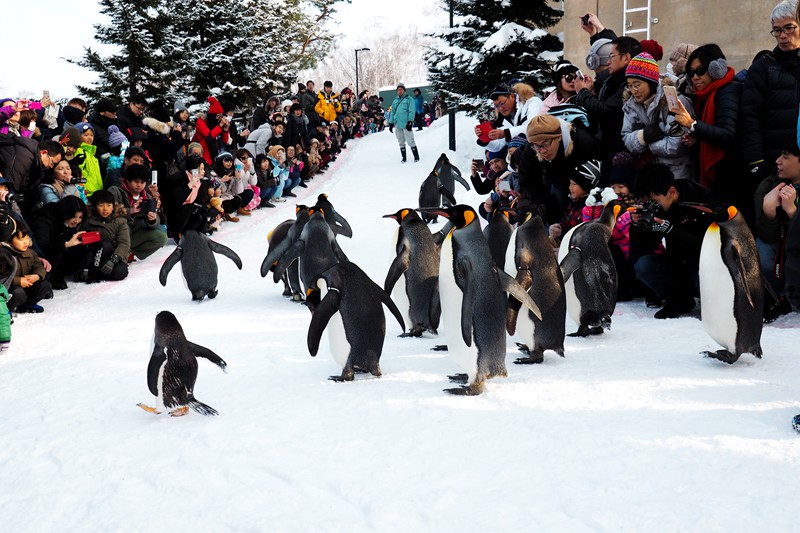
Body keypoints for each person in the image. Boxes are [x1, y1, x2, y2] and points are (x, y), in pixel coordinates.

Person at [632, 163, 720, 319]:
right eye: (646, 202)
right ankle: (679, 301)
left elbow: (708, 248)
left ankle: (714, 304)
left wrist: (671, 230)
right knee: (644, 265)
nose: (651, 206)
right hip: (676, 263)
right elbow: (640, 253)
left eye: (654, 201)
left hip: (705, 265)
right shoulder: (660, 207)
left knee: (706, 276)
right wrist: (640, 226)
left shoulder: (700, 202)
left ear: (671, 192)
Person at [670, 44, 742, 203]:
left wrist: (692, 125)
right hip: (719, 175)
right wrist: (697, 137)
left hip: (729, 174)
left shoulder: (728, 91)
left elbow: (727, 134)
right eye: (691, 73)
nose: (695, 77)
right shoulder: (704, 96)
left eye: (700, 71)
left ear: (716, 69)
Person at [743, 0, 800, 182]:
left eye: (789, 28)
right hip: (775, 162)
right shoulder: (762, 68)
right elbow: (750, 117)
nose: (783, 35)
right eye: (777, 30)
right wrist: (755, 160)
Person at [574, 36, 641, 182]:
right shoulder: (614, 78)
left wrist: (582, 93)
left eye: (612, 56)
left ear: (626, 58)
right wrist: (591, 92)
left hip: (620, 150)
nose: (608, 62)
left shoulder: (626, 81)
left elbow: (606, 110)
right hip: (608, 146)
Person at [620, 52, 694, 180]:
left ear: (651, 82)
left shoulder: (674, 101)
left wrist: (646, 143)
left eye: (637, 85)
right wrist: (643, 135)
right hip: (649, 175)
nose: (633, 90)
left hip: (677, 175)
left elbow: (675, 145)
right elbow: (626, 138)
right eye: (630, 85)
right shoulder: (631, 105)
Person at [754, 141, 800, 319]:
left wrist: (793, 213)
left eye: (786, 157)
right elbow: (766, 237)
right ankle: (780, 295)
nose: (778, 161)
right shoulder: (769, 186)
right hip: (783, 263)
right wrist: (769, 212)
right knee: (761, 248)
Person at [524, 114, 597, 218]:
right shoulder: (531, 149)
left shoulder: (583, 142)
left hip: (584, 186)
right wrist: (546, 204)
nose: (542, 150)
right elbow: (527, 179)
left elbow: (599, 172)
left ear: (558, 137)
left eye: (546, 143)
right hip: (557, 181)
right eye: (537, 146)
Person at [108, 164, 167, 260]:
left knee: (161, 237)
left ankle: (130, 252)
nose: (139, 185)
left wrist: (152, 219)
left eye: (142, 182)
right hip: (117, 234)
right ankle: (121, 251)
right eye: (136, 182)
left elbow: (155, 222)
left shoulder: (147, 196)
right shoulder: (116, 191)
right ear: (127, 180)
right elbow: (107, 213)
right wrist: (129, 211)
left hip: (134, 233)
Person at [30, 196, 90, 290]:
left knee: (83, 249)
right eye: (74, 217)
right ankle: (52, 280)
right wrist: (67, 244)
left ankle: (75, 273)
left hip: (58, 255)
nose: (77, 221)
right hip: (42, 259)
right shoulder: (44, 221)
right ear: (66, 213)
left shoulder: (66, 222)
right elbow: (43, 247)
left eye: (80, 217)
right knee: (59, 251)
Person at [79, 190, 130, 282]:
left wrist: (112, 261)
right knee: (104, 245)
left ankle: (98, 272)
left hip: (113, 255)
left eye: (109, 205)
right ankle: (92, 271)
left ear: (113, 206)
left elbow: (124, 244)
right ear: (94, 207)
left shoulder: (120, 221)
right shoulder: (87, 222)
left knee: (120, 272)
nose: (105, 209)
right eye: (101, 205)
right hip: (94, 256)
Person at [2, 223, 51, 314]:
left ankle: (28, 304)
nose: (26, 242)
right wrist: (18, 281)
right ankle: (6, 309)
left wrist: (36, 276)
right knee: (18, 293)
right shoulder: (4, 256)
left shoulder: (31, 253)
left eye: (27, 237)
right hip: (10, 289)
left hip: (27, 285)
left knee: (44, 285)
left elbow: (38, 265)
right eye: (21, 239)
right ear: (8, 240)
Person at [388, 83, 419, 163]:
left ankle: (416, 157)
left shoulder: (409, 99)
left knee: (410, 140)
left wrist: (410, 121)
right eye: (398, 90)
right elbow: (392, 112)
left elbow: (412, 111)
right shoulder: (395, 101)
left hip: (406, 123)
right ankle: (404, 157)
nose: (400, 91)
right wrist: (391, 123)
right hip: (398, 124)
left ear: (404, 90)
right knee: (401, 141)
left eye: (401, 89)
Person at [72, 122, 104, 197]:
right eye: (86, 135)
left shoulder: (92, 154)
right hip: (87, 193)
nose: (89, 138)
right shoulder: (80, 151)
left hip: (97, 191)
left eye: (91, 135)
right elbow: (80, 172)